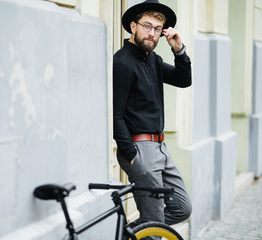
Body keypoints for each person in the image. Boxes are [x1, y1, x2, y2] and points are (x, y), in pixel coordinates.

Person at [113, 0, 193, 234]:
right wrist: (131, 155)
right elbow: (116, 114)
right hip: (139, 150)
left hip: (160, 148)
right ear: (133, 25)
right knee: (154, 224)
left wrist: (178, 49)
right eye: (147, 26)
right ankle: (147, 232)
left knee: (181, 207)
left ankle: (129, 234)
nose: (152, 33)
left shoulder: (153, 60)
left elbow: (183, 79)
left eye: (157, 29)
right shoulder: (123, 62)